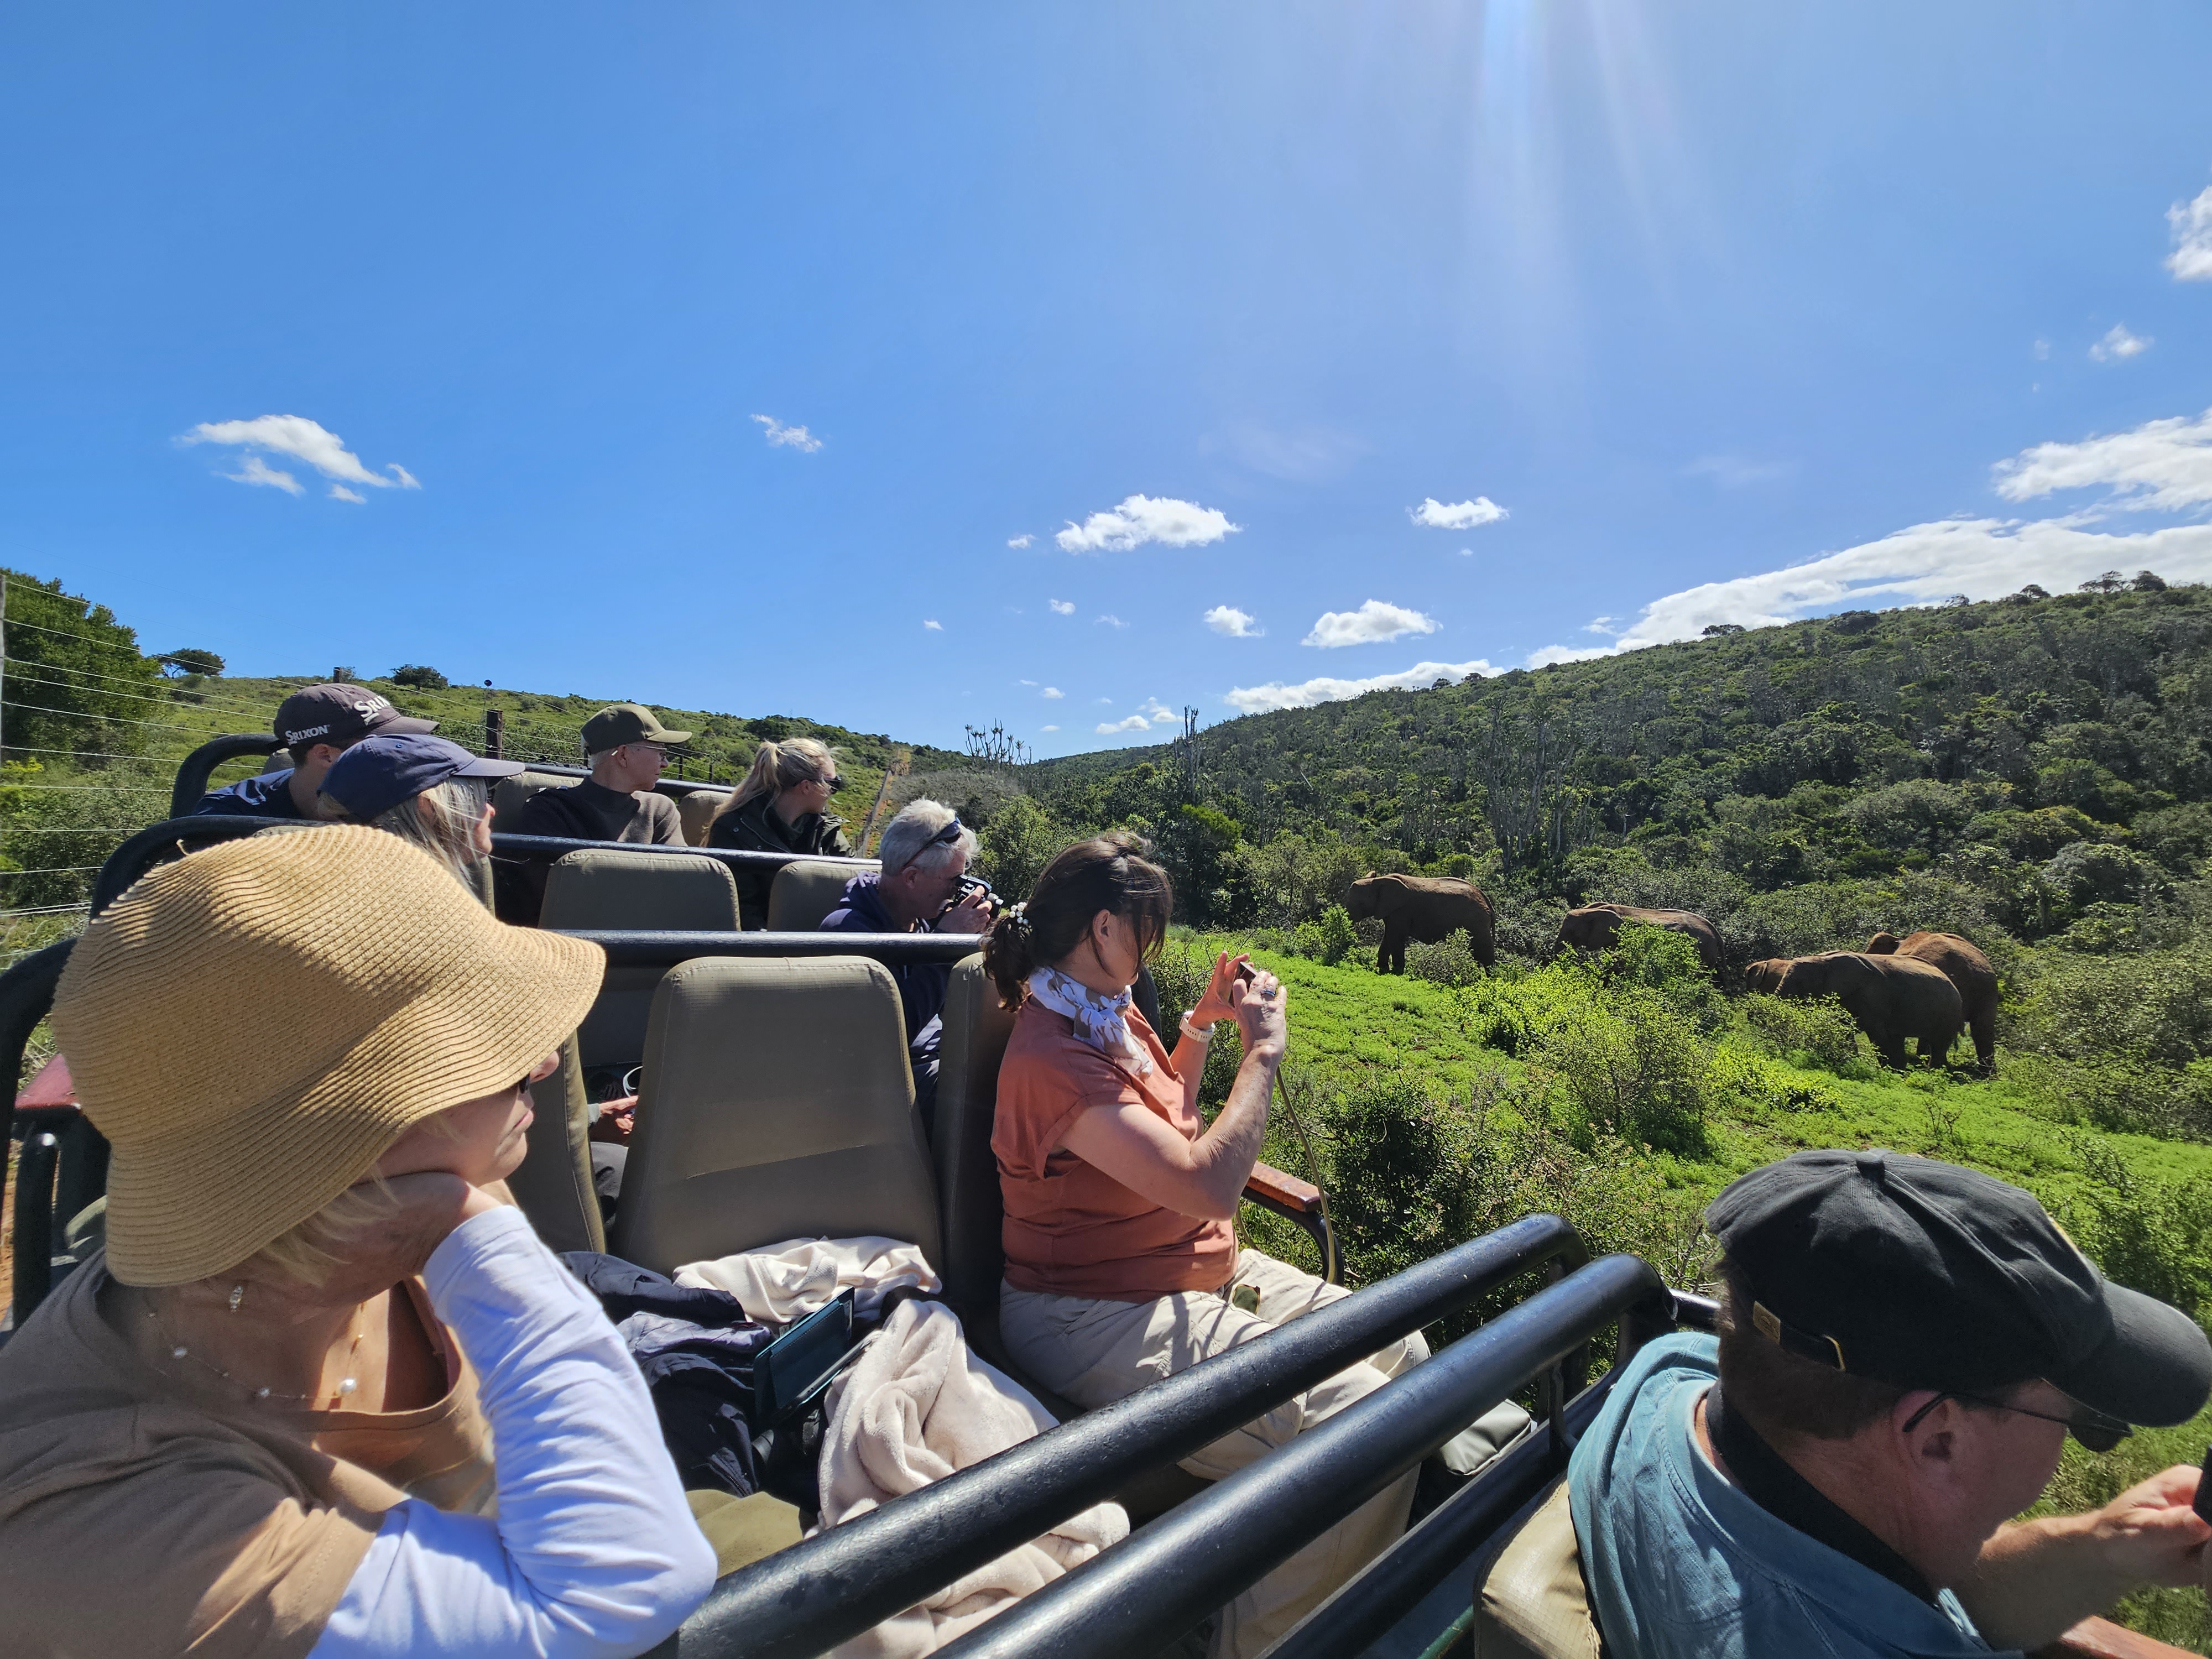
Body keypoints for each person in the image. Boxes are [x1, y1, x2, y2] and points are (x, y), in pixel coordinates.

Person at [0, 825, 717, 1657]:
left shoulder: (388, 1194)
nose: (546, 1063)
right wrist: (483, 1240)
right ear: (358, 1131)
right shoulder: (97, 1524)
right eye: (484, 1049)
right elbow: (618, 1597)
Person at [985, 833, 1524, 1659]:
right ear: (1101, 929)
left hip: (1187, 1269)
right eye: (1146, 929)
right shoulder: (1052, 1055)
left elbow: (1167, 1115)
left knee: (1405, 1348)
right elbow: (1205, 1183)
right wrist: (1262, 1053)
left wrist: (1199, 1027)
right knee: (1348, 1423)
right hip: (1088, 1310)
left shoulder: (1104, 1004)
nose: (1153, 946)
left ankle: (1294, 1573)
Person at [1571, 1149, 2212, 1659]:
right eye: (2083, 1420)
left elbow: (1906, 1592)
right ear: (1938, 1438)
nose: (2077, 1434)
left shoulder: (1667, 1381)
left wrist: (2107, 1545)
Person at [818, 799, 992, 1134]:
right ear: (911, 878)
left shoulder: (918, 921)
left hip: (944, 1056)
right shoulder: (846, 934)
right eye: (953, 880)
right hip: (891, 1084)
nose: (959, 890)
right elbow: (885, 1039)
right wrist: (944, 946)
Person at [502, 703, 689, 922]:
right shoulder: (550, 810)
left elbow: (681, 881)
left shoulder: (660, 810)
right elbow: (555, 898)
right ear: (624, 755)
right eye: (660, 752)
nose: (665, 763)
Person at [319, 733, 524, 894]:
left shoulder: (338, 885)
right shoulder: (421, 908)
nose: (491, 809)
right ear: (429, 809)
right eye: (478, 798)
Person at [194, 684, 437, 819]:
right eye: (385, 743)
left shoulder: (411, 799)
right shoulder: (229, 816)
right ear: (325, 755)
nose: (406, 752)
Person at [706, 737, 853, 928]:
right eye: (833, 784)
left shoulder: (826, 828)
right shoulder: (733, 830)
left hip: (816, 938)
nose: (834, 792)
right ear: (806, 786)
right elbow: (741, 912)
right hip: (760, 947)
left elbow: (856, 880)